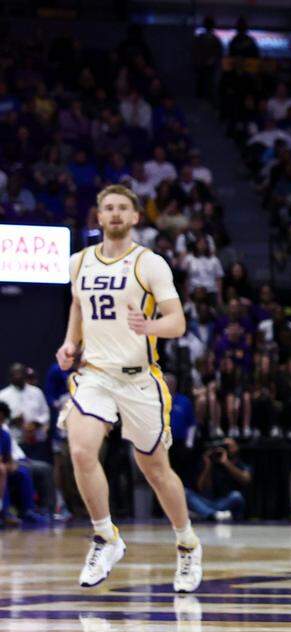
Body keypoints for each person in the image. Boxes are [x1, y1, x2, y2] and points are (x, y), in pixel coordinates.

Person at [55, 184, 202, 591]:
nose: (115, 214)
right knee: (81, 449)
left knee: (155, 470)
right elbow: (78, 306)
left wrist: (148, 326)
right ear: (98, 217)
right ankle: (105, 536)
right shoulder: (79, 262)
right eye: (108, 208)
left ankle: (187, 544)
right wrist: (70, 343)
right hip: (96, 373)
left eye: (123, 208)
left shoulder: (150, 264)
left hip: (139, 377)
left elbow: (178, 322)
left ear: (136, 217)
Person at [187, 437, 250, 521]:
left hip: (226, 502)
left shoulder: (240, 463)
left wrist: (226, 462)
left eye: (230, 446)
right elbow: (201, 487)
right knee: (185, 492)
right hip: (207, 502)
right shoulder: (209, 462)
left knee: (236, 496)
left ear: (237, 447)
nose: (227, 449)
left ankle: (206, 514)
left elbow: (246, 479)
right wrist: (208, 466)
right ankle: (213, 514)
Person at [0, 362, 50, 453]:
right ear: (10, 377)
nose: (18, 376)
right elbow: (1, 421)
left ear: (25, 375)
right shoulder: (3, 395)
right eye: (15, 374)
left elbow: (45, 413)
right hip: (15, 441)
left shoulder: (36, 392)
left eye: (21, 373)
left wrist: (36, 423)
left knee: (41, 466)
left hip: (37, 439)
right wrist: (12, 421)